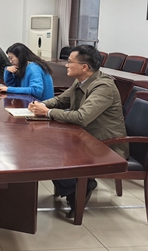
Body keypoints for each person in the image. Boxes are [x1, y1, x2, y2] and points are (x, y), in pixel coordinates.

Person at [28, 45, 128, 218]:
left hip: (105, 145)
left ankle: (79, 187)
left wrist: (48, 113)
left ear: (84, 67)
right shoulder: (81, 81)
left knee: (50, 152)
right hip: (86, 136)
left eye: (70, 62)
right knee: (44, 147)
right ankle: (73, 187)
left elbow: (82, 117)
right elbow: (61, 100)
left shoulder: (103, 87)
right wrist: (41, 105)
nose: (66, 65)